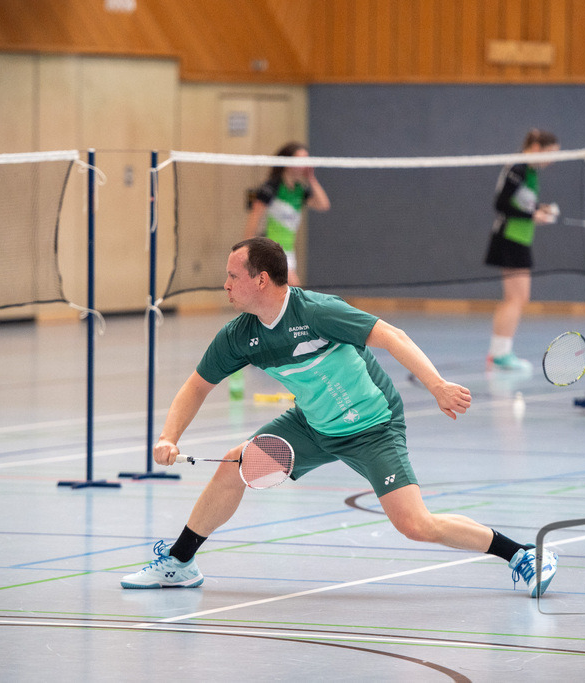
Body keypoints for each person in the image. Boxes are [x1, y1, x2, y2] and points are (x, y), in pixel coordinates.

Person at [121, 237, 558, 596]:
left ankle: (521, 553)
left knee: (416, 525)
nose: (225, 285)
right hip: (312, 425)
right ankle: (179, 561)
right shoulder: (240, 335)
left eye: (233, 277)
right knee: (237, 465)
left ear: (261, 279)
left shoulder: (315, 312)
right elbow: (197, 386)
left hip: (373, 426)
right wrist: (168, 436)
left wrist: (437, 386)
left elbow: (391, 335)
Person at [485, 129, 561, 371]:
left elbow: (519, 201)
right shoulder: (518, 167)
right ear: (536, 147)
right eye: (550, 154)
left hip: (519, 238)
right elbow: (501, 203)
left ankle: (498, 352)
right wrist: (532, 214)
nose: (551, 161)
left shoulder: (529, 171)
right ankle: (500, 354)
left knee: (514, 298)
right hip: (510, 238)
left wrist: (540, 208)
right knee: (517, 298)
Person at [244, 142, 330, 286]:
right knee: (294, 289)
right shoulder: (271, 188)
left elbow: (323, 205)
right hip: (271, 248)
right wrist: (246, 249)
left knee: (282, 294)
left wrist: (311, 178)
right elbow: (255, 217)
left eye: (306, 160)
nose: (305, 164)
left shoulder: (300, 190)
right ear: (287, 161)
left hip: (289, 250)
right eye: (300, 160)